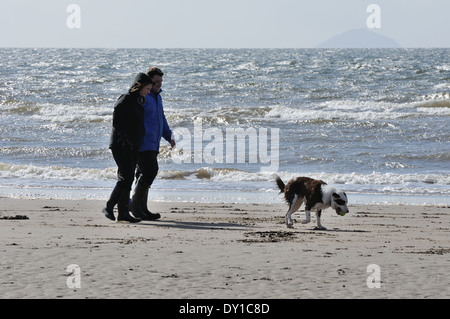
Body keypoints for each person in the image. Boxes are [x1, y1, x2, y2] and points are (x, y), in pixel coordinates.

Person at [103, 73, 153, 223]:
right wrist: (125, 140)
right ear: (139, 85)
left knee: (128, 178)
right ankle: (109, 205)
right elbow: (117, 121)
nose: (149, 92)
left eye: (150, 89)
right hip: (121, 145)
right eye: (148, 88)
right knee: (126, 177)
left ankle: (123, 213)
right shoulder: (125, 99)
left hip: (133, 146)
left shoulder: (139, 100)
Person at [130, 67, 175, 220]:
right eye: (156, 82)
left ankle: (142, 208)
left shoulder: (157, 97)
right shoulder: (144, 97)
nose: (159, 84)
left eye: (161, 81)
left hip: (153, 142)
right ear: (148, 81)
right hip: (142, 143)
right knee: (150, 171)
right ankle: (135, 206)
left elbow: (161, 119)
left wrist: (169, 136)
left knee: (145, 174)